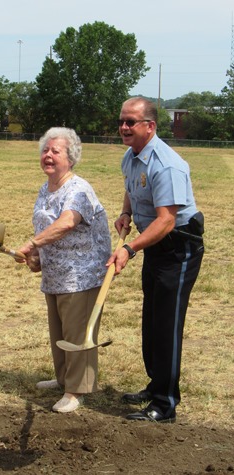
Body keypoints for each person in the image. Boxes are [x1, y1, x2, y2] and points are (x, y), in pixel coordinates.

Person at [107, 97, 204, 423]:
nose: (123, 127)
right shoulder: (132, 156)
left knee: (167, 321)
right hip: (155, 242)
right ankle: (156, 384)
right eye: (122, 121)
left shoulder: (166, 164)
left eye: (131, 122)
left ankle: (165, 404)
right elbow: (132, 188)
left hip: (179, 245)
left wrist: (130, 248)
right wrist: (125, 213)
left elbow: (166, 220)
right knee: (152, 317)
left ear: (150, 126)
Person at [18, 127, 111, 413]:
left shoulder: (78, 189)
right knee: (58, 329)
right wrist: (37, 255)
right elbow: (46, 226)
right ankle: (62, 378)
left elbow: (67, 222)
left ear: (70, 158)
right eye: (45, 150)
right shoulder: (46, 188)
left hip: (82, 274)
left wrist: (32, 242)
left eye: (55, 151)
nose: (48, 155)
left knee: (77, 332)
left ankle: (76, 390)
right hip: (56, 273)